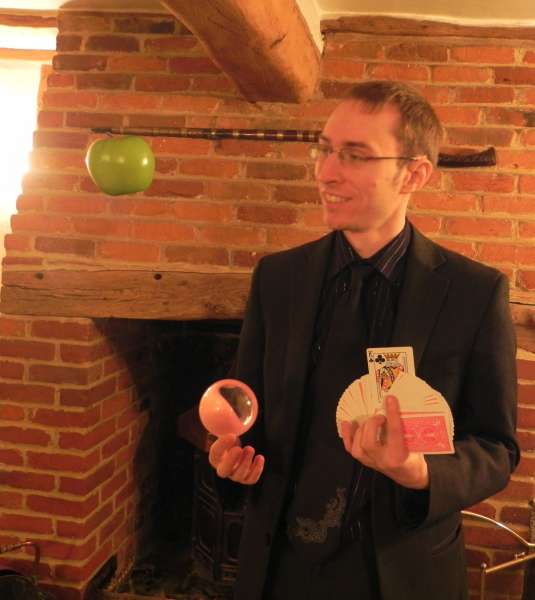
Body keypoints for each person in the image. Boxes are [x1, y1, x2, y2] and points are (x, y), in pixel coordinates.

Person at [208, 80, 519, 600]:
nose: (326, 172)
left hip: (401, 572)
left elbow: (496, 448)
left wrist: (420, 472)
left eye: (354, 155)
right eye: (325, 149)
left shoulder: (474, 293)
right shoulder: (277, 278)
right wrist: (231, 458)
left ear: (414, 174)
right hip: (279, 568)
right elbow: (249, 412)